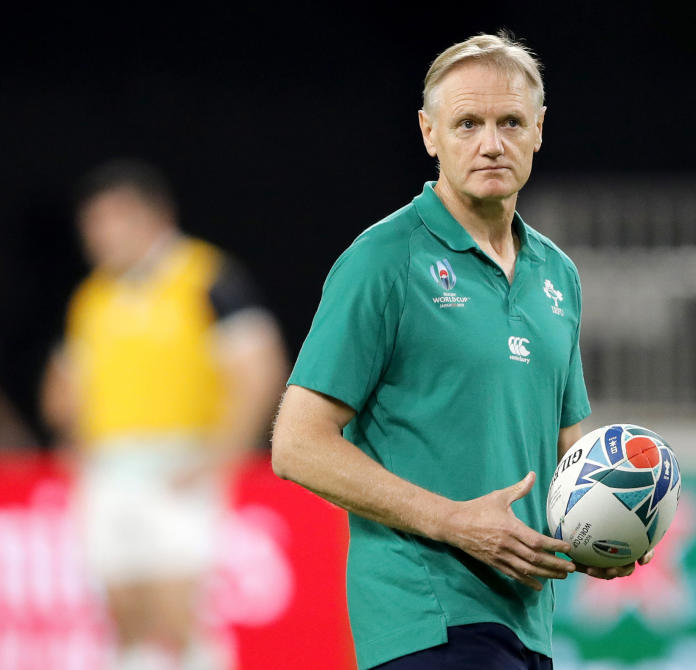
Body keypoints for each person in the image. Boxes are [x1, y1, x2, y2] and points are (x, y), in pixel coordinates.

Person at [271, 32, 652, 670]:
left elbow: (568, 453)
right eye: (468, 123)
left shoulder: (558, 275)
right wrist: (454, 522)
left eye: (510, 122)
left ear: (538, 130)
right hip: (426, 620)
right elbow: (296, 444)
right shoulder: (384, 261)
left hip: (528, 624)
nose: (491, 143)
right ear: (429, 133)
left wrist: (606, 530)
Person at [41, 159, 288, 670]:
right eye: (93, 224)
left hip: (180, 463)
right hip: (110, 469)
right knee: (124, 615)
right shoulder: (94, 297)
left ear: (154, 216)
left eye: (112, 220)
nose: (100, 236)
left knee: (180, 615)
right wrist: (75, 441)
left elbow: (261, 367)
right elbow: (64, 389)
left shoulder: (207, 277)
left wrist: (221, 453)